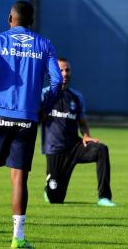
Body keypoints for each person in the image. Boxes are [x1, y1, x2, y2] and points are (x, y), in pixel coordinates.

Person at [0, 0, 63, 249]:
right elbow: (57, 81)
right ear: (32, 20)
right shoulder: (45, 44)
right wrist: (45, 107)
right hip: (27, 118)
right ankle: (17, 237)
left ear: (10, 18)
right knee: (19, 178)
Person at [41, 58, 116, 207]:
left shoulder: (76, 96)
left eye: (67, 70)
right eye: (61, 70)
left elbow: (81, 120)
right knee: (55, 199)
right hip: (54, 149)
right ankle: (48, 187)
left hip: (74, 147)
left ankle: (104, 197)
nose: (65, 73)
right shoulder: (45, 95)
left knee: (101, 150)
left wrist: (86, 135)